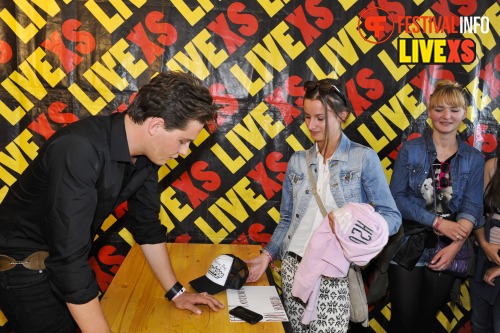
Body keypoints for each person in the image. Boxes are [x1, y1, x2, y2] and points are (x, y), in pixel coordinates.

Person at [0, 71, 224, 333]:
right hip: (21, 268)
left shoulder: (147, 157)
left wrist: (176, 292)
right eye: (183, 141)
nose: (184, 151)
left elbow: (147, 227)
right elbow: (69, 260)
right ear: (155, 125)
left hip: (59, 264)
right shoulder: (80, 149)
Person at [245, 78, 401, 333]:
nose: (311, 125)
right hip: (294, 268)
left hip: (334, 273)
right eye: (307, 117)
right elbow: (286, 220)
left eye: (320, 118)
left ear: (343, 115)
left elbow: (392, 217)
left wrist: (354, 222)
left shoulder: (362, 158)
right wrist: (267, 256)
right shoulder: (298, 161)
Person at [388, 79, 484, 333]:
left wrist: (456, 245)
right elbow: (396, 198)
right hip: (410, 243)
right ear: (429, 112)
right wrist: (437, 222)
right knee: (402, 321)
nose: (446, 116)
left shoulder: (473, 158)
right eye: (439, 109)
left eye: (454, 110)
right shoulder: (411, 150)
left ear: (464, 114)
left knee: (424, 323)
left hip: (448, 249)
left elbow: (473, 207)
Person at [470, 145, 500, 333]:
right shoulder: (493, 165)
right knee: (480, 324)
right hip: (484, 257)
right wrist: (484, 244)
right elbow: (476, 212)